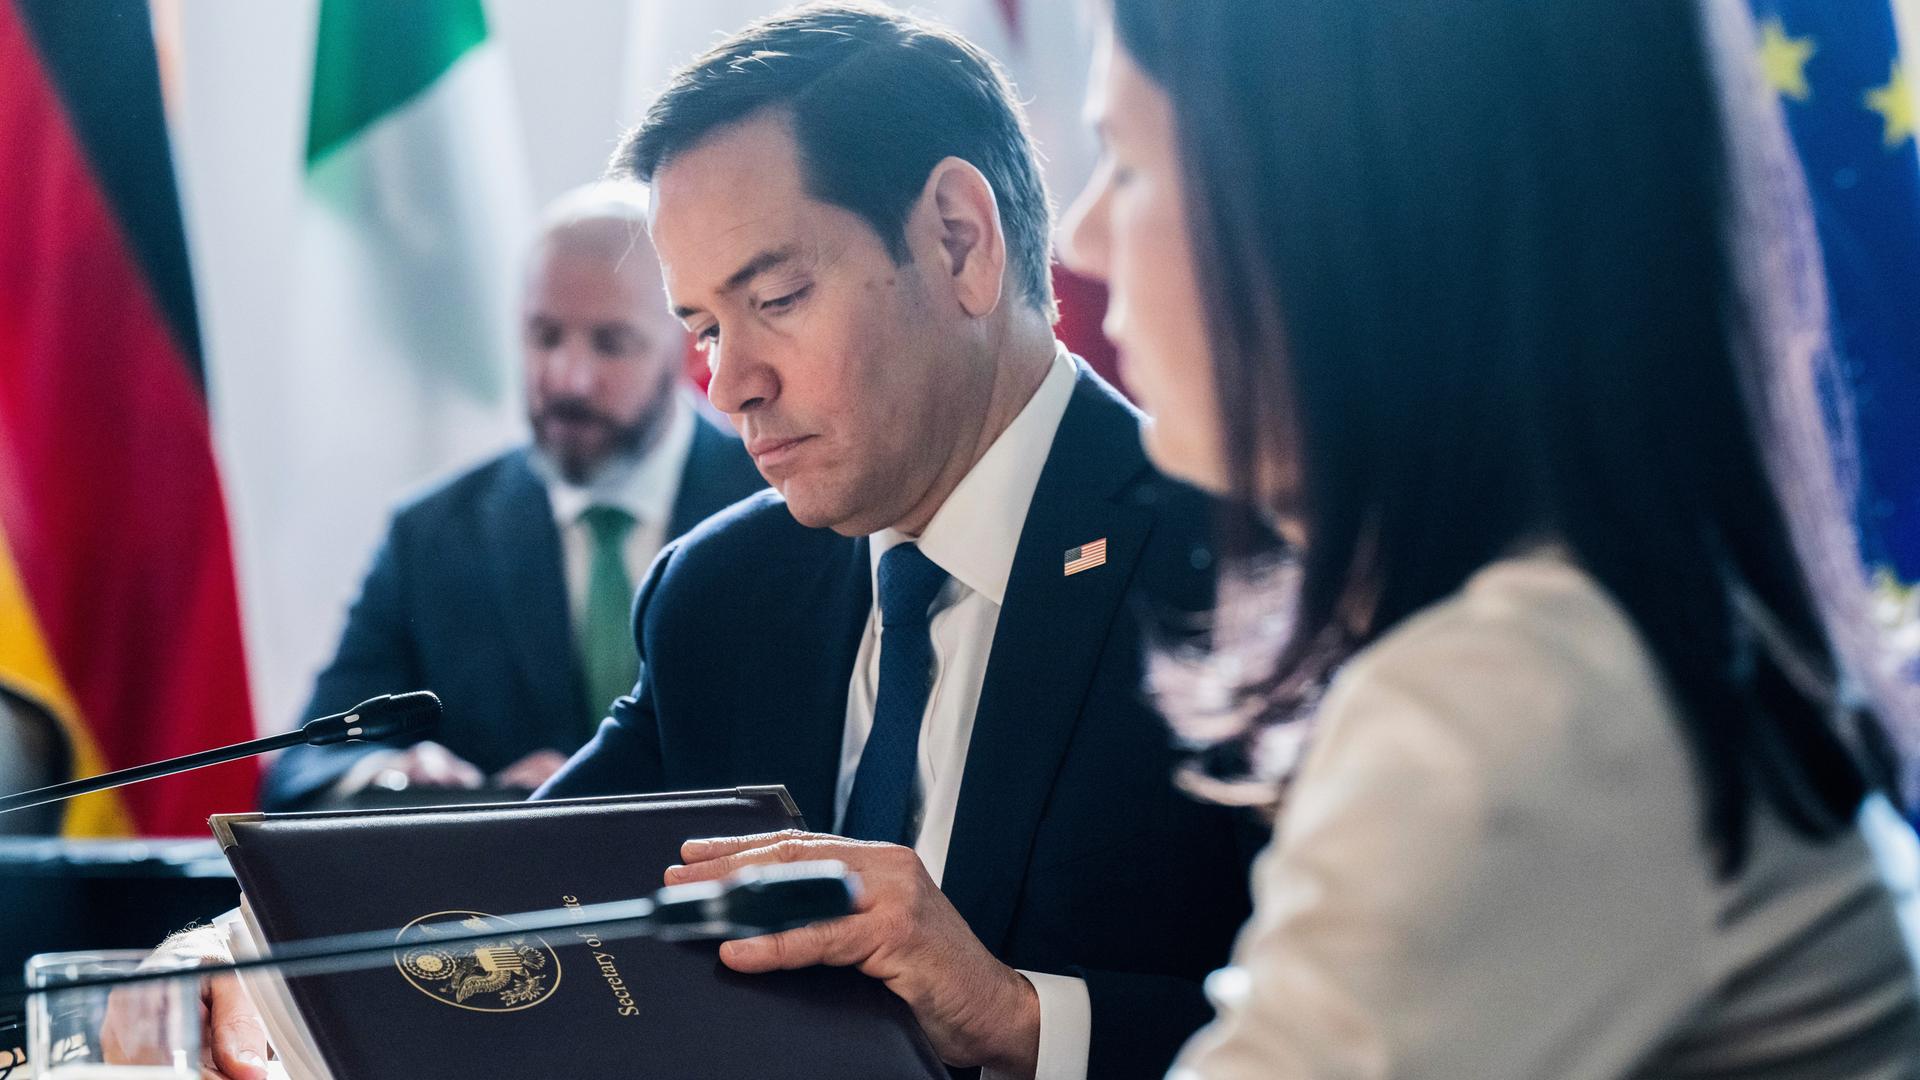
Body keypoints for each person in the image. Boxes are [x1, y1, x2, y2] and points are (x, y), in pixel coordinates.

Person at [155, 7, 1257, 1079]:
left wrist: (1014, 1017)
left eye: (775, 298)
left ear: (958, 241)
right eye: (704, 329)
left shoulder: (1244, 562)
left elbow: (1398, 1030)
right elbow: (506, 893)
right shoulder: (723, 590)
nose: (729, 387)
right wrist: (228, 969)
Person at [1060, 0, 1920, 1075]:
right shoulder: (1605, 633)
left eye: (1129, 166)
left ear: (1345, 209)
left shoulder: (1514, 707)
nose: (1079, 239)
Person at [261, 183, 765, 809]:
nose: (568, 378)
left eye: (612, 342)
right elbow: (304, 763)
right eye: (543, 335)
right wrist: (391, 775)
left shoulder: (781, 503)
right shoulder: (432, 536)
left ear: (687, 342)